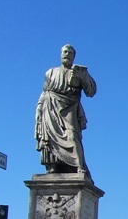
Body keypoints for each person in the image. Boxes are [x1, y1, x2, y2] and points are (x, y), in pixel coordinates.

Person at [35, 44, 97, 175]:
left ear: (74, 56)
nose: (67, 54)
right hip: (50, 107)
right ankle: (53, 166)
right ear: (60, 54)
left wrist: (82, 78)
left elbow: (91, 91)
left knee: (72, 136)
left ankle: (79, 166)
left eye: (70, 53)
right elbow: (44, 91)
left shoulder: (79, 71)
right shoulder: (50, 72)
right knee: (50, 139)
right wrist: (39, 108)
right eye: (65, 52)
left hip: (70, 108)